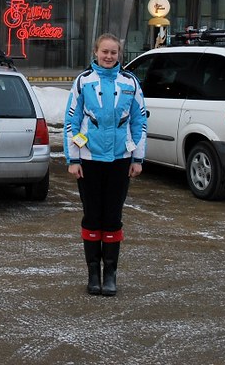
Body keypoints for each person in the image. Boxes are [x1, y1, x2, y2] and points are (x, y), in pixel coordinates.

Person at [64, 33, 147, 297]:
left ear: (119, 55)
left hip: (120, 160)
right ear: (96, 52)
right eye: (105, 52)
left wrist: (138, 158)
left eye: (114, 53)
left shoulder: (130, 82)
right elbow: (71, 122)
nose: (109, 56)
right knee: (92, 215)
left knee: (112, 216)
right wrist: (73, 159)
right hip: (89, 162)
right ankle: (93, 274)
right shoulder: (83, 82)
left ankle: (110, 273)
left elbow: (139, 122)